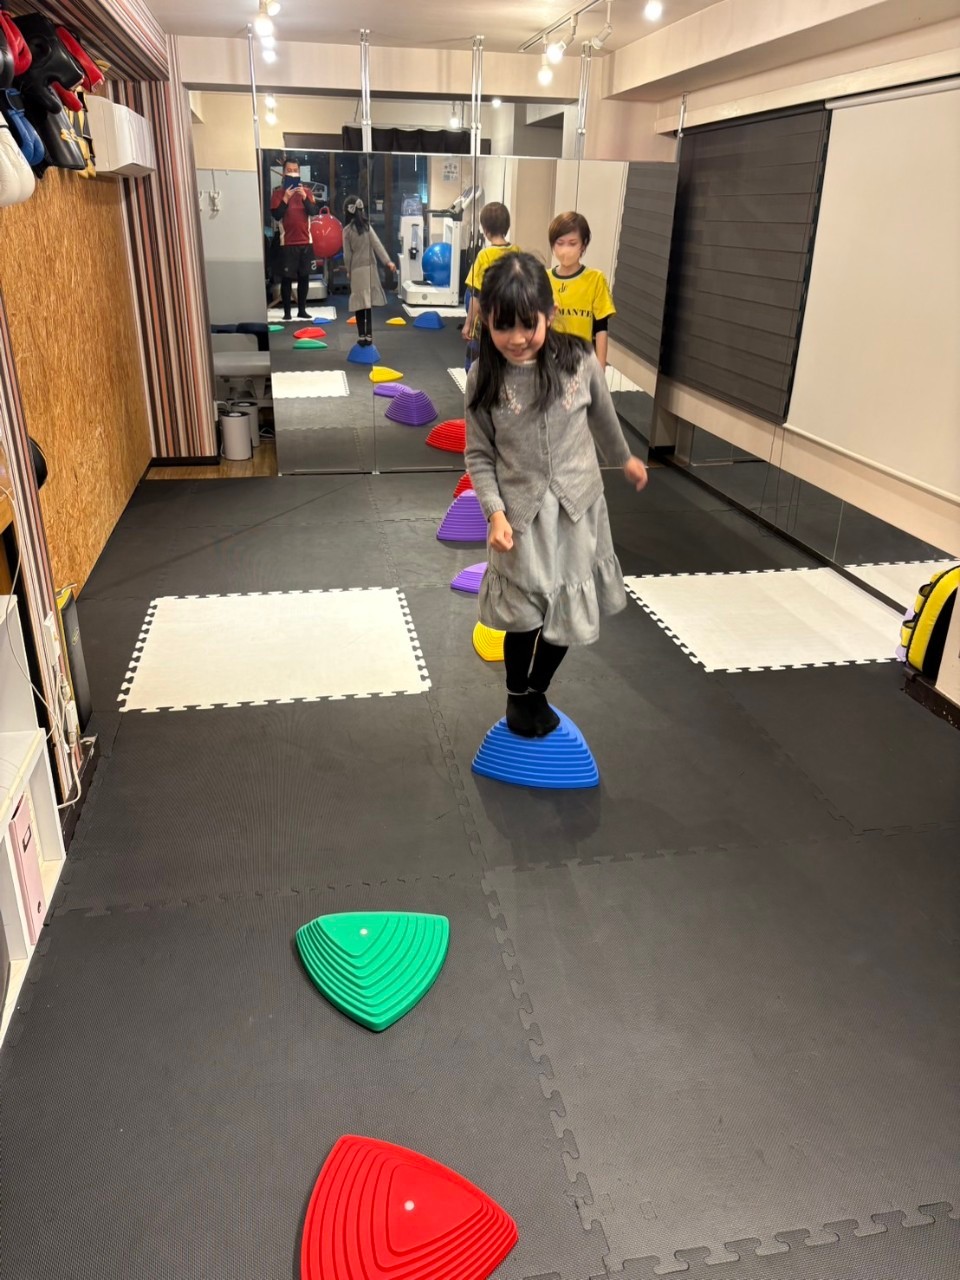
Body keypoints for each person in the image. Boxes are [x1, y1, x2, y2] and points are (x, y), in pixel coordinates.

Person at [465, 252, 648, 739]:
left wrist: (625, 458)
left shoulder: (579, 361)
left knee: (567, 612)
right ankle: (516, 695)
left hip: (577, 511)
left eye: (529, 324)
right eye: (504, 326)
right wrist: (494, 513)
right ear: (486, 320)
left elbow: (603, 416)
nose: (517, 338)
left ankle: (537, 689)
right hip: (520, 520)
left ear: (550, 313)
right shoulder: (483, 377)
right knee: (523, 616)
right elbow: (478, 455)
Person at [547, 211, 616, 369]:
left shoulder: (595, 279)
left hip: (583, 363)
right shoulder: (544, 278)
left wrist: (600, 369)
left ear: (583, 245)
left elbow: (601, 329)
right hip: (551, 362)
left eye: (572, 243)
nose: (565, 249)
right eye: (560, 243)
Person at [461, 202, 519, 367]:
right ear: (507, 226)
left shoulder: (484, 256)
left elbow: (476, 296)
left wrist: (468, 324)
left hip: (485, 324)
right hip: (510, 322)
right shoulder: (517, 252)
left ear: (485, 229)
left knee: (475, 367)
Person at [342, 195, 396, 347]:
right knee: (368, 304)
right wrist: (388, 261)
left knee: (359, 304)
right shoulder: (367, 228)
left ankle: (361, 336)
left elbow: (347, 255)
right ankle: (369, 335)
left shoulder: (346, 231)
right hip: (370, 269)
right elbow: (377, 245)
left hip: (356, 270)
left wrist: (348, 270)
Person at [270, 158, 319, 320]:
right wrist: (286, 198)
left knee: (304, 277)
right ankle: (287, 313)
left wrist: (304, 196)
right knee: (287, 279)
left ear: (299, 172)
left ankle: (302, 310)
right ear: (284, 173)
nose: (292, 173)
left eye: (295, 170)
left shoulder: (307, 192)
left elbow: (313, 212)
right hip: (287, 243)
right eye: (289, 170)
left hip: (306, 242)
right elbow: (277, 215)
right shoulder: (277, 193)